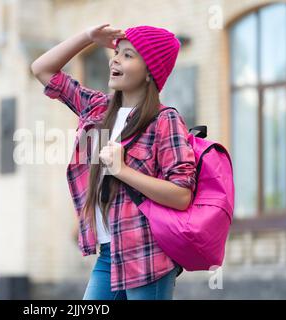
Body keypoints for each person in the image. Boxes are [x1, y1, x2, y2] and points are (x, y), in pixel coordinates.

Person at [31, 24, 197, 300]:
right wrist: (88, 37)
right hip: (108, 256)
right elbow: (42, 69)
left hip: (147, 255)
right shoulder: (97, 108)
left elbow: (181, 195)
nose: (115, 60)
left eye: (128, 55)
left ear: (149, 73)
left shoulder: (164, 120)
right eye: (116, 53)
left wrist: (123, 170)